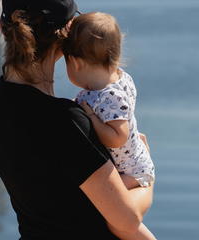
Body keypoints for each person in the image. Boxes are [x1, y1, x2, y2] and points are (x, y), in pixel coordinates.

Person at [0, 0, 164, 240]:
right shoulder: (67, 123)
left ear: (3, 28)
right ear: (66, 34)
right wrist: (148, 175)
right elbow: (126, 219)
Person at [62, 12, 155, 192]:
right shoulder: (119, 78)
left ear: (75, 63)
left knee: (107, 208)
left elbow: (118, 138)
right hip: (130, 165)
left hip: (133, 172)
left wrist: (90, 117)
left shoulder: (110, 96)